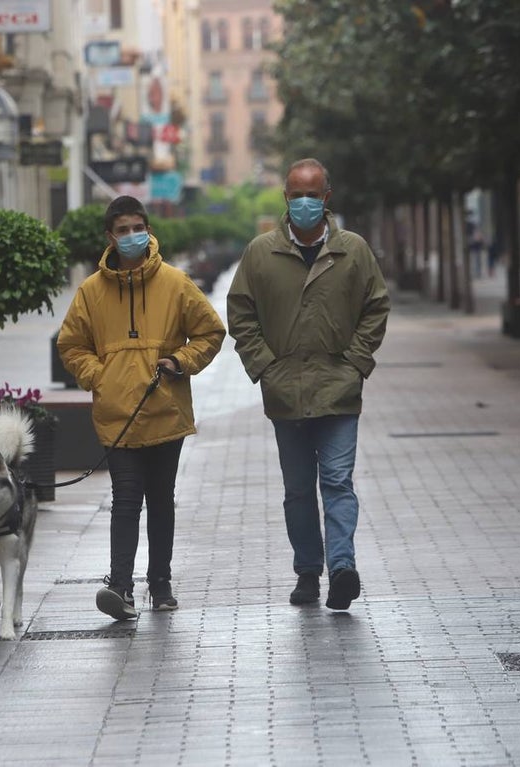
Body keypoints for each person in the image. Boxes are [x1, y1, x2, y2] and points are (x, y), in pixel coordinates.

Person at [226, 159, 390, 611]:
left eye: (312, 195)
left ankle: (342, 568)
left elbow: (376, 307)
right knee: (298, 491)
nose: (304, 203)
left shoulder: (353, 250)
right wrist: (265, 366)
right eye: (296, 194)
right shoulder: (261, 253)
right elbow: (240, 313)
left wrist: (356, 360)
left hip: (339, 390)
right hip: (286, 393)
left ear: (326, 197)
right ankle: (307, 572)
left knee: (337, 481)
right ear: (285, 197)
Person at [57, 195, 225, 620]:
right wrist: (101, 377)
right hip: (118, 416)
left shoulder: (175, 282)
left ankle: (161, 584)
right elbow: (72, 345)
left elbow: (210, 331)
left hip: (165, 412)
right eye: (123, 229)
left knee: (161, 499)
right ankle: (120, 587)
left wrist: (179, 362)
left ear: (148, 230)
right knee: (126, 499)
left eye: (139, 227)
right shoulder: (91, 292)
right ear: (109, 236)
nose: (132, 236)